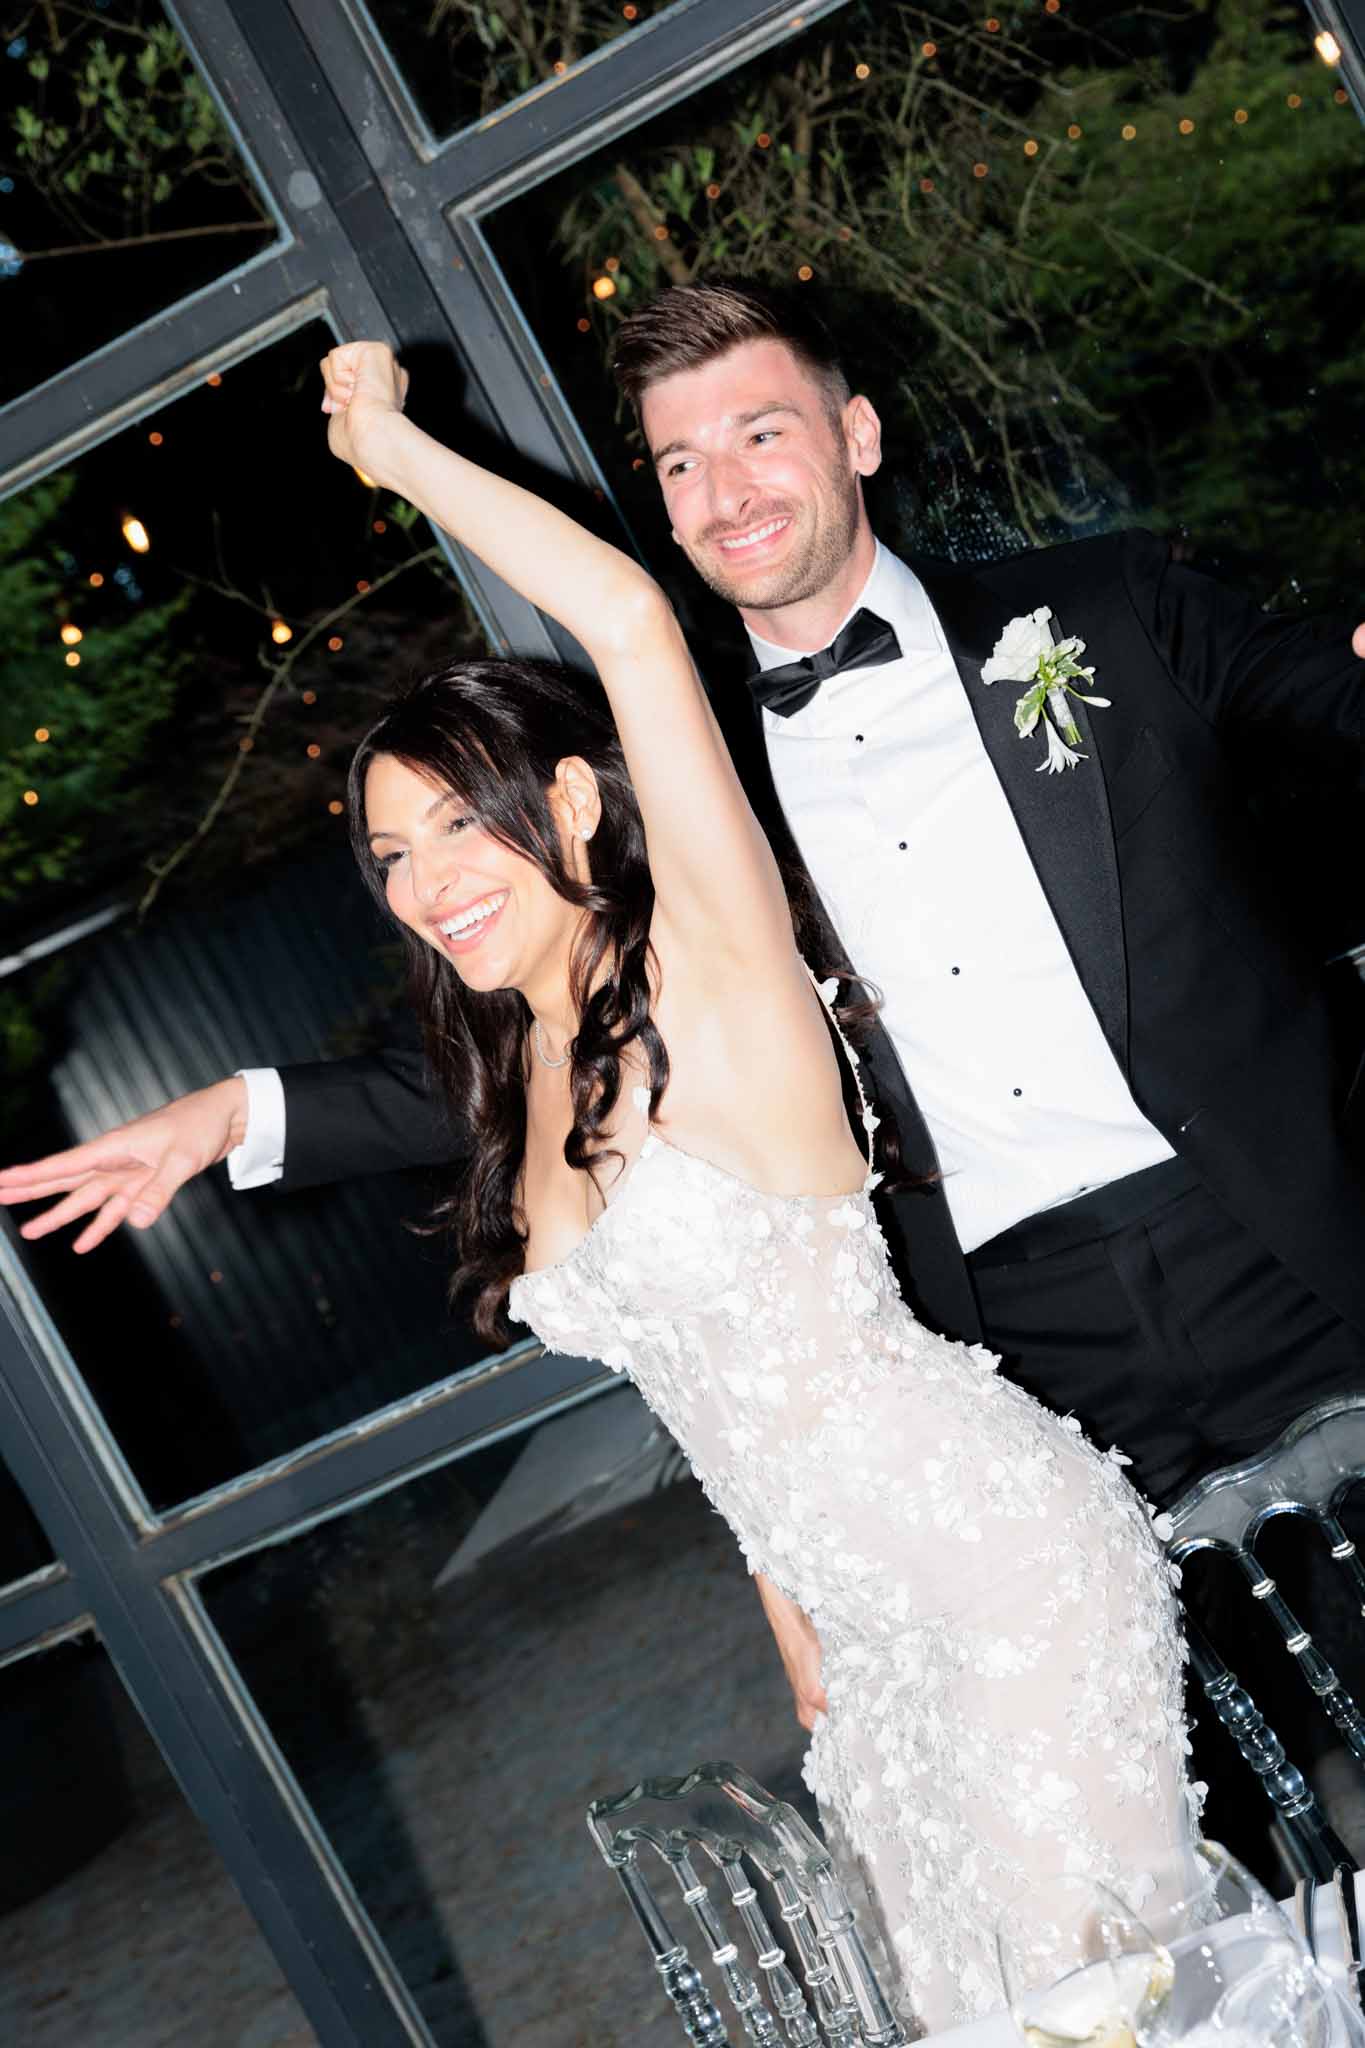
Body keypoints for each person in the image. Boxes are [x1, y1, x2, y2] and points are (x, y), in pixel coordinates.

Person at [3, 282, 1363, 1747]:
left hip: (1282, 1233)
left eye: (760, 433)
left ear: (855, 434)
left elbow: (1323, 702)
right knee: (1206, 1785)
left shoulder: (1103, 609)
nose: (726, 490)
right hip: (1011, 1348)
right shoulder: (679, 779)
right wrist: (232, 1112)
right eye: (678, 463)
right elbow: (550, 1028)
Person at [315, 337, 1191, 2025]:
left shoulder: (717, 958)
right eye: (391, 855)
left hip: (1002, 1569)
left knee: (1092, 2010)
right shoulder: (527, 1068)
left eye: (455, 830)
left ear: (570, 799)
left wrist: (400, 460)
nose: (425, 884)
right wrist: (800, 1641)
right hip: (859, 1650)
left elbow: (636, 624)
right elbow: (728, 1420)